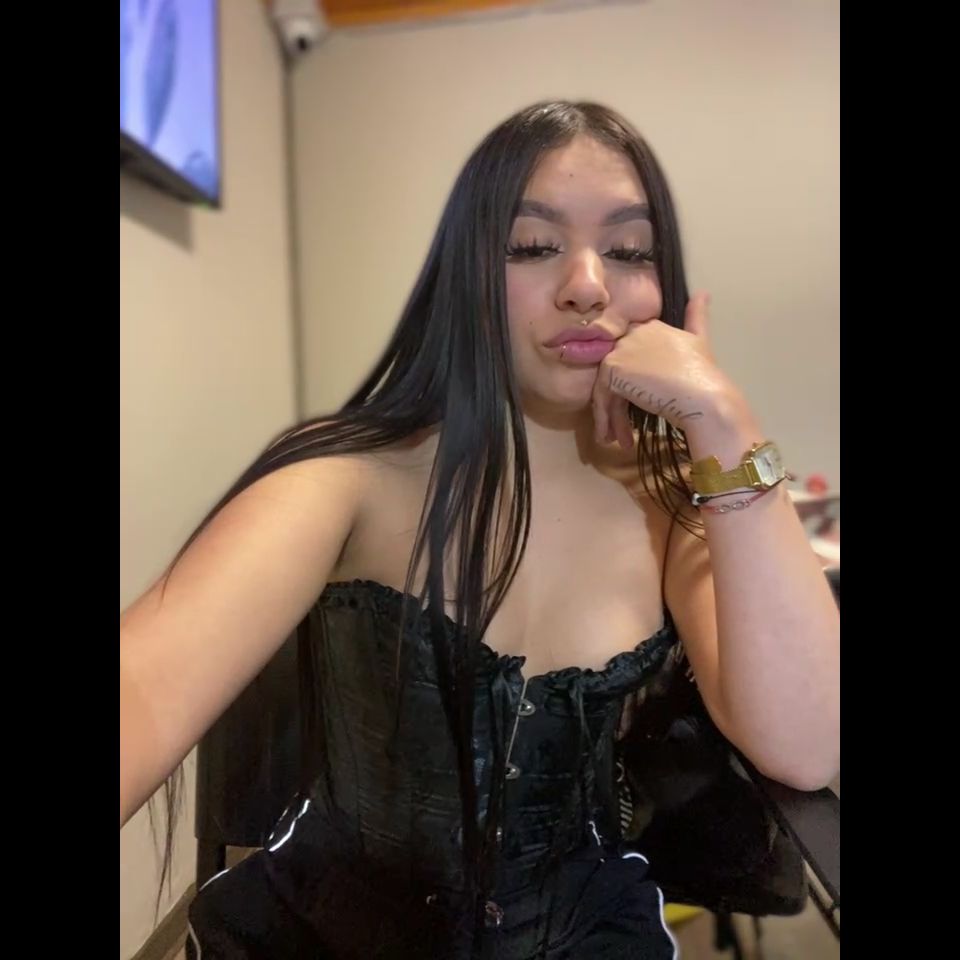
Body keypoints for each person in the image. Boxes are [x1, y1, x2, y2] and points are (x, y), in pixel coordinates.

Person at [119, 100, 840, 959]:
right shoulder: (350, 479)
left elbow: (806, 748)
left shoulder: (679, 499)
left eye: (628, 251)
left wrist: (725, 424)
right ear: (464, 270)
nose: (587, 285)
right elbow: (142, 689)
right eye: (532, 246)